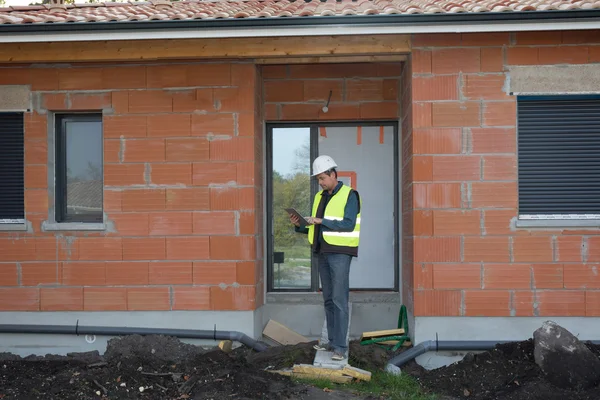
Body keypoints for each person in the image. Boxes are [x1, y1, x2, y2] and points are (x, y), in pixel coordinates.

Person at [289, 155, 361, 361]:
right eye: (318, 179)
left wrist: (320, 219)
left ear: (333, 174)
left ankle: (340, 347)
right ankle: (331, 343)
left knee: (339, 299)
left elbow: (347, 224)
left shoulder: (350, 195)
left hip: (340, 253)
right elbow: (316, 226)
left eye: (322, 178)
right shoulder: (320, 197)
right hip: (322, 252)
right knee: (328, 300)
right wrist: (299, 224)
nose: (320, 183)